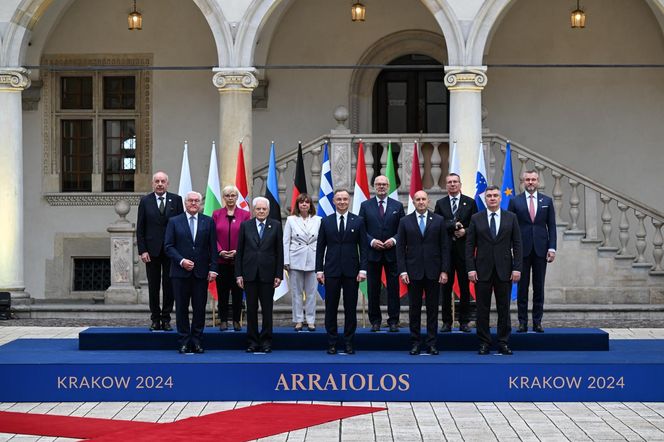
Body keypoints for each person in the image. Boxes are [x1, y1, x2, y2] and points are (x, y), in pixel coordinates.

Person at [466, 185, 522, 356]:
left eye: (495, 195)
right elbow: (469, 246)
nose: (492, 198)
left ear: (500, 198)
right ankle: (484, 343)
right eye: (489, 195)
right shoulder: (476, 218)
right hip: (482, 271)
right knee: (482, 309)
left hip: (504, 270)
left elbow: (518, 244)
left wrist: (517, 268)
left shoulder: (511, 218)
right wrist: (470, 268)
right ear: (485, 198)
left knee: (504, 309)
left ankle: (503, 342)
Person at [164, 191, 218, 354]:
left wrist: (214, 268)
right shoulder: (174, 221)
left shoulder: (208, 222)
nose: (194, 203)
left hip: (201, 273)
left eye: (197, 201)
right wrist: (181, 261)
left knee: (199, 309)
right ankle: (183, 341)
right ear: (185, 203)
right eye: (190, 201)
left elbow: (213, 248)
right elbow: (168, 246)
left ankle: (197, 341)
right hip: (180, 274)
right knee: (181, 308)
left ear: (201, 203)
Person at [316, 189, 368, 355]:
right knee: (330, 308)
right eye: (339, 199)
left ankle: (348, 342)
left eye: (345, 199)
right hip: (331, 271)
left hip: (352, 272)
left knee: (350, 308)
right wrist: (319, 270)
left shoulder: (358, 221)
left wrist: (363, 269)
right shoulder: (326, 221)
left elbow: (364, 248)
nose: (342, 202)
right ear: (334, 201)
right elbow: (320, 248)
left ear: (349, 201)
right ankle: (331, 342)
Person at [397, 191, 449, 355]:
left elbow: (445, 247)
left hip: (434, 272)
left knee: (433, 309)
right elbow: (400, 249)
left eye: (423, 199)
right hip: (413, 272)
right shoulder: (405, 221)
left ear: (428, 201)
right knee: (414, 309)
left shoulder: (439, 220)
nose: (421, 202)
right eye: (418, 199)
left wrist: (444, 270)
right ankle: (415, 343)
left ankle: (432, 343)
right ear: (413, 202)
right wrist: (403, 270)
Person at [508, 169, 557, 333]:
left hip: (541, 250)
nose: (530, 182)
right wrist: (511, 249)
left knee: (539, 287)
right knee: (522, 288)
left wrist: (552, 248)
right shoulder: (515, 201)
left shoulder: (547, 201)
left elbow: (552, 226)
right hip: (521, 250)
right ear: (523, 181)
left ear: (538, 182)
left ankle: (537, 322)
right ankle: (522, 322)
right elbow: (511, 228)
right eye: (527, 179)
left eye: (533, 179)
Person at [136, 171, 183, 331]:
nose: (160, 184)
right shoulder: (145, 201)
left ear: (167, 183)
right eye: (157, 181)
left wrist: (179, 251)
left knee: (170, 286)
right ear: (152, 184)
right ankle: (155, 319)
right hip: (152, 252)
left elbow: (181, 227)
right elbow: (140, 228)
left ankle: (166, 318)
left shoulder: (176, 200)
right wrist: (142, 250)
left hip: (171, 251)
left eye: (163, 181)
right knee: (153, 286)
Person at [235, 197, 283, 353]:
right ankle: (253, 341)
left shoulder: (275, 225)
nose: (261, 211)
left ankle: (267, 341)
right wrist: (239, 274)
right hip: (249, 274)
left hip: (268, 275)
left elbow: (279, 252)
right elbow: (240, 252)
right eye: (258, 209)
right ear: (253, 210)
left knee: (267, 310)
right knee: (251, 310)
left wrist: (279, 274)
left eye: (264, 209)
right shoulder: (245, 226)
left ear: (268, 210)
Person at [359, 175, 405, 332]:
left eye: (384, 184)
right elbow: (361, 229)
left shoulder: (397, 206)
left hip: (392, 254)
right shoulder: (365, 206)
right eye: (378, 184)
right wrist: (371, 241)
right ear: (374, 186)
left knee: (393, 289)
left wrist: (394, 239)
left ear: (389, 186)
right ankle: (375, 321)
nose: (381, 187)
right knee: (373, 289)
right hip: (373, 253)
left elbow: (402, 230)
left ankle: (393, 321)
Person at [434, 173, 478, 332]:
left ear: (460, 184)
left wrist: (465, 231)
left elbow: (476, 224)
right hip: (446, 252)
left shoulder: (470, 202)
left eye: (455, 182)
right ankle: (447, 322)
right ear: (446, 185)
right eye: (449, 182)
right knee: (445, 288)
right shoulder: (440, 203)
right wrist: (453, 225)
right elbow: (437, 225)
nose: (452, 184)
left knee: (465, 288)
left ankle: (464, 321)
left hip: (464, 251)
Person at [212, 185, 251, 332]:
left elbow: (248, 235)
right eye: (227, 195)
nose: (230, 198)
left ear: (237, 197)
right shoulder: (216, 214)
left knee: (237, 292)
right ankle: (223, 320)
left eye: (233, 195)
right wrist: (220, 251)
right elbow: (212, 236)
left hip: (238, 260)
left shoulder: (245, 214)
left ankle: (236, 320)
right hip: (221, 261)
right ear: (224, 197)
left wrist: (237, 251)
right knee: (222, 292)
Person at [283, 193, 321, 332]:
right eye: (301, 202)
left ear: (310, 205)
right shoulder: (291, 220)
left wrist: (321, 262)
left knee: (311, 293)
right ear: (297, 205)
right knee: (297, 293)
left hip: (313, 258)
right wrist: (286, 261)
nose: (304, 204)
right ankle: (298, 320)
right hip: (295, 259)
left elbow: (322, 242)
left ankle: (310, 320)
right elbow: (286, 241)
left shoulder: (318, 220)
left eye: (307, 202)